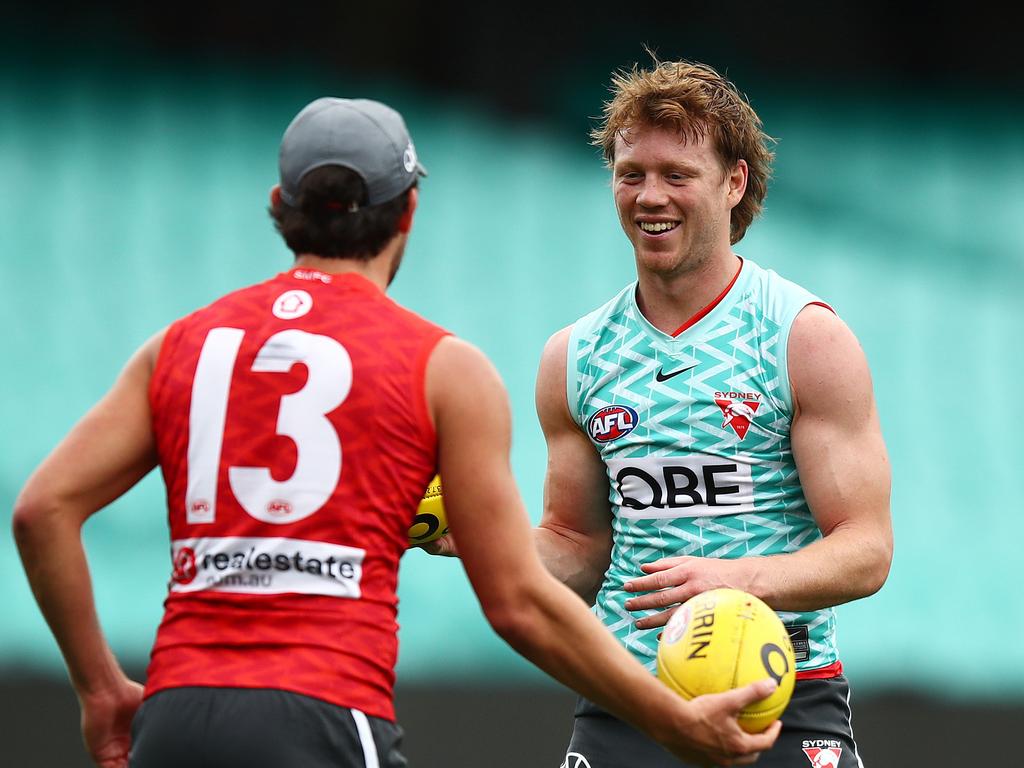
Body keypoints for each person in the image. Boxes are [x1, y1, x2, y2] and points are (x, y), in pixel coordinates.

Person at [12, 96, 782, 768]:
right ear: (407, 210)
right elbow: (516, 602)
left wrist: (101, 688)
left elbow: (41, 510)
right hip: (325, 715)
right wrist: (668, 720)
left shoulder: (180, 344)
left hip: (174, 718)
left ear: (280, 203)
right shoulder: (442, 366)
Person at [532, 59, 894, 767]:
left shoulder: (803, 336)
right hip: (628, 700)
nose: (649, 196)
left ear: (734, 183)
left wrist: (739, 579)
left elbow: (867, 549)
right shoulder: (573, 357)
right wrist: (483, 545)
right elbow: (576, 546)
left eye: (676, 174)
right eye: (630, 172)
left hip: (782, 696)